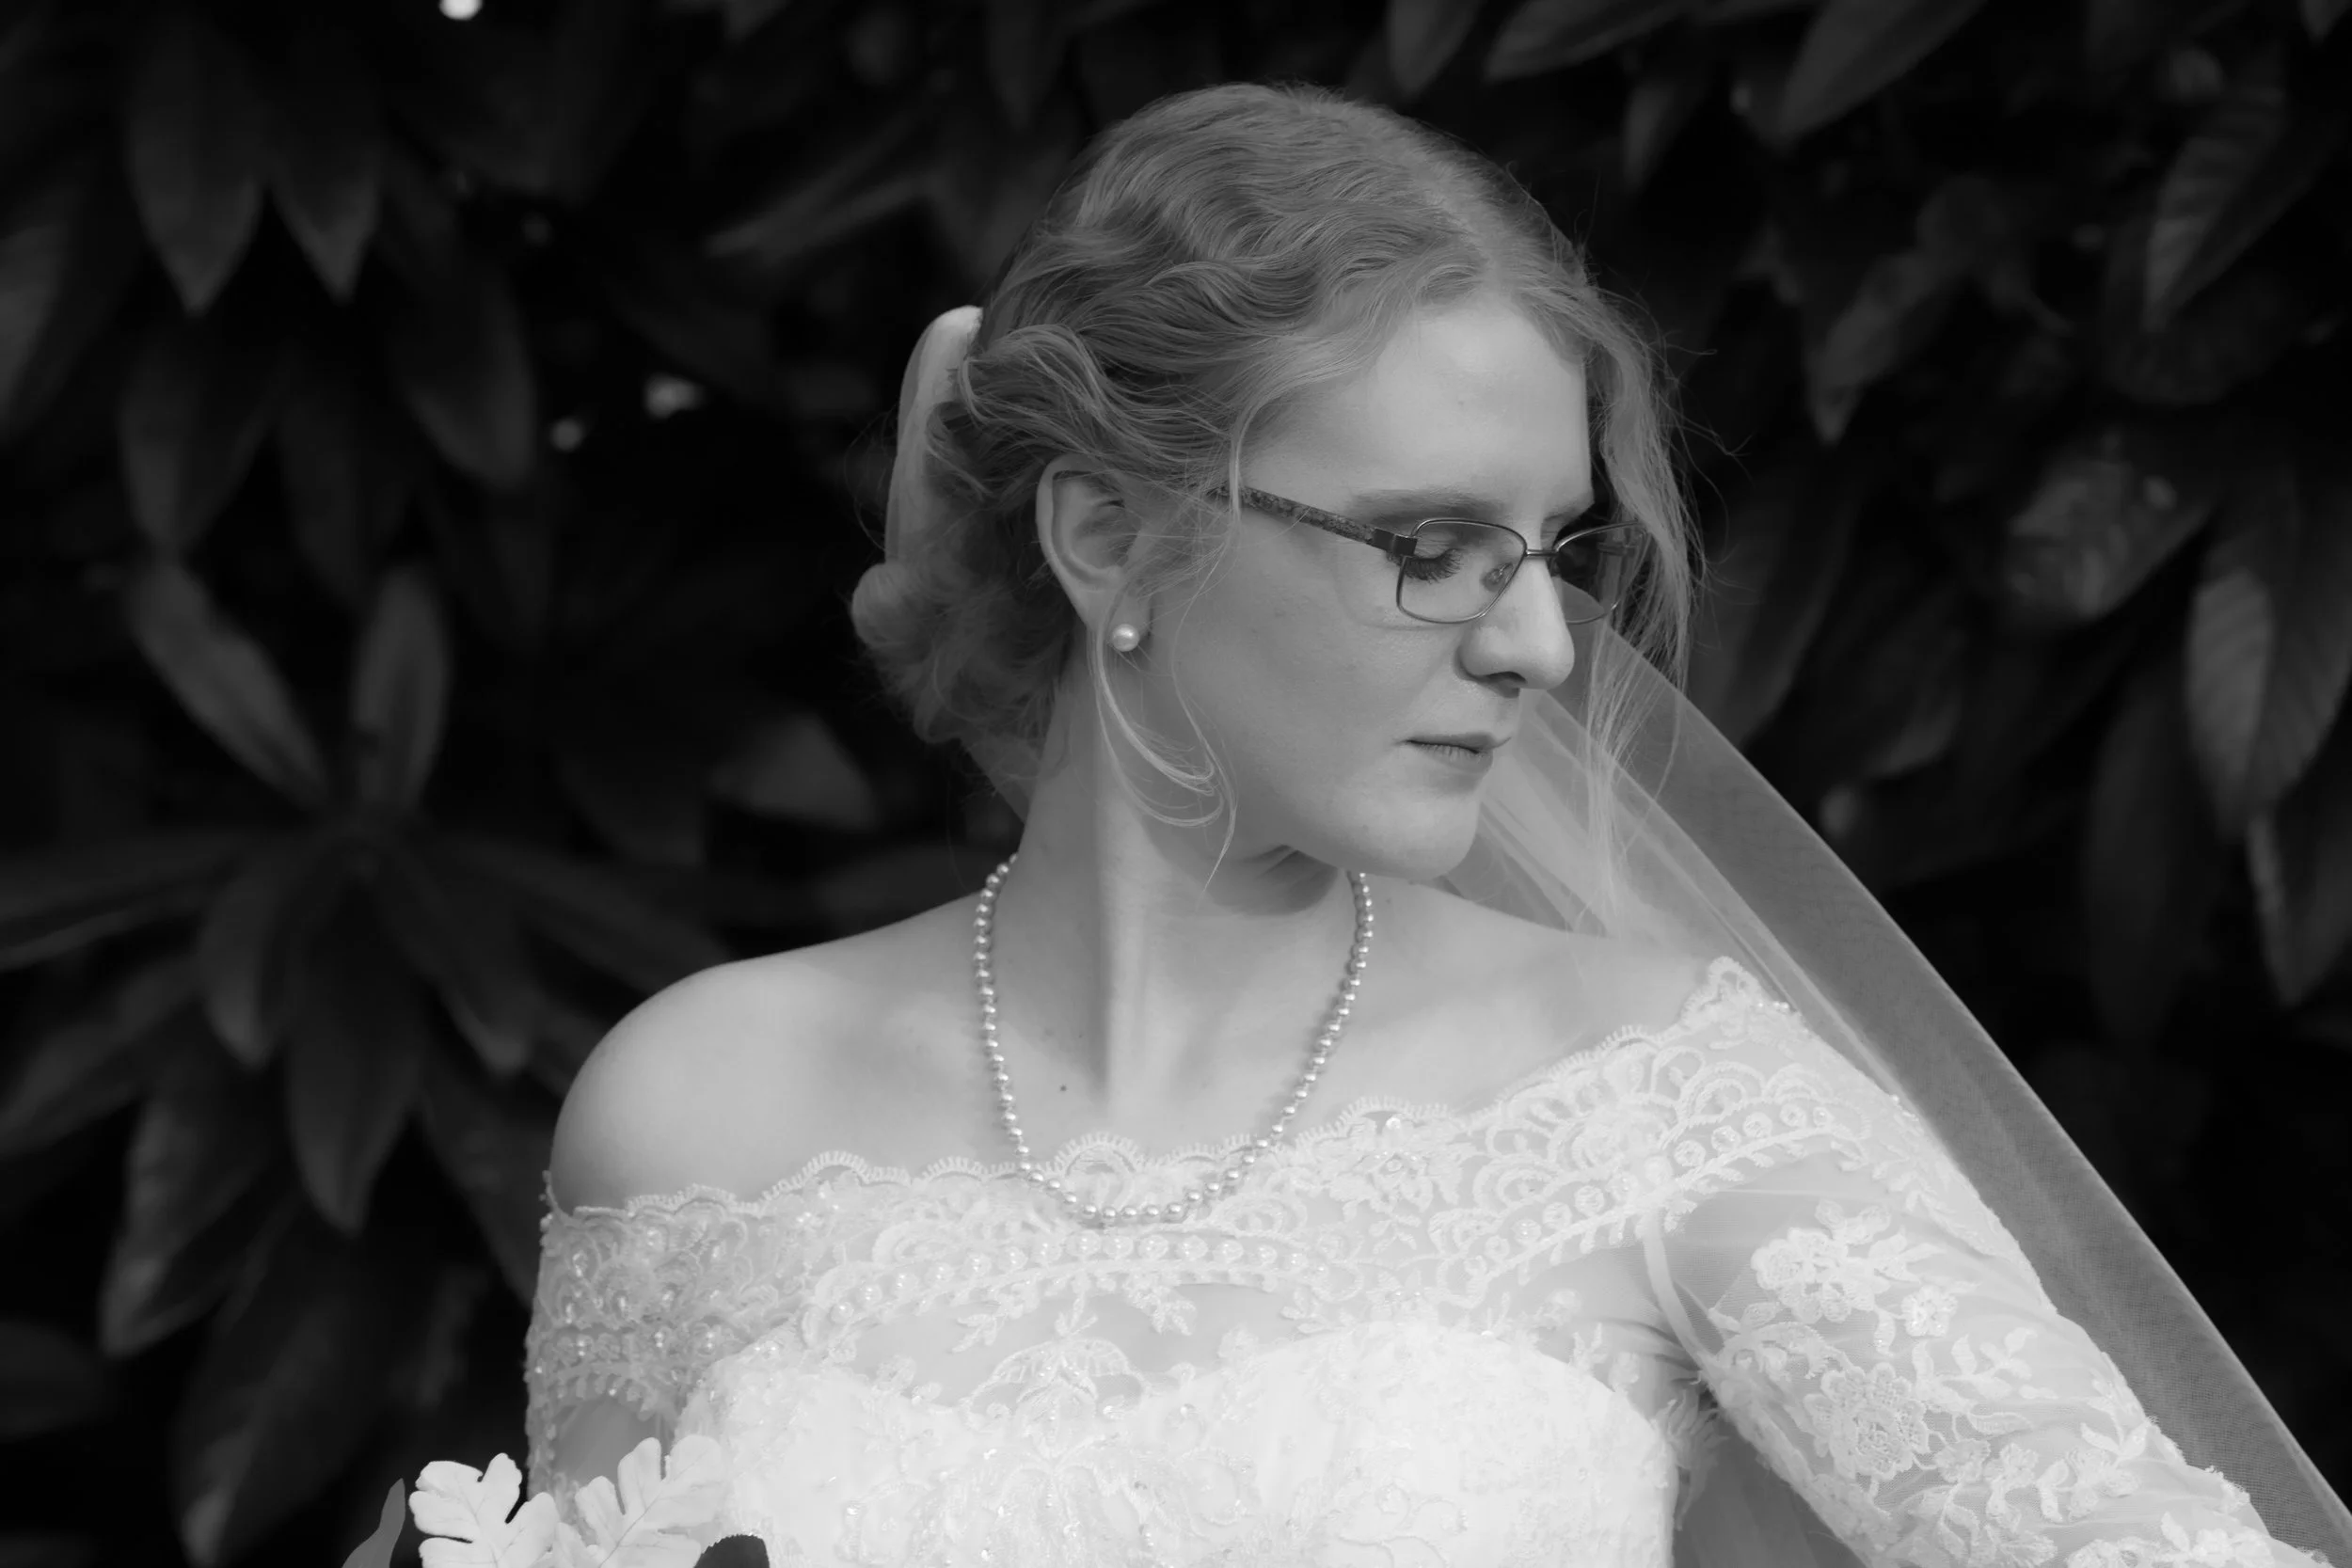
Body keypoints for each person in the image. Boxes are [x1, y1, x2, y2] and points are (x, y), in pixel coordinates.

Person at [521, 82, 2350, 1567]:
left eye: (1553, 550)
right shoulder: (689, 1106)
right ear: (1106, 537)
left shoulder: (1662, 1104)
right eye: (1426, 548)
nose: (1541, 641)